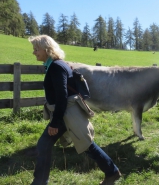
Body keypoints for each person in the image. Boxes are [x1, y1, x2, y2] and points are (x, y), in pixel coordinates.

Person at [29, 35, 121, 185]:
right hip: (66, 112)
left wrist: (55, 122)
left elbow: (62, 95)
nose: (34, 52)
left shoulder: (56, 67)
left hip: (66, 113)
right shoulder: (56, 64)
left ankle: (39, 182)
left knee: (51, 144)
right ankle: (112, 172)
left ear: (46, 49)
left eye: (36, 49)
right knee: (84, 145)